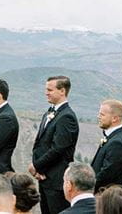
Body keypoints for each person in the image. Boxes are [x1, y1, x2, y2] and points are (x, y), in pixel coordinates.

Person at [30, 76, 79, 214]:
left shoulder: (67, 117)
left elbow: (58, 149)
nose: (46, 92)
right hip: (44, 178)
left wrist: (36, 166)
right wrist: (38, 170)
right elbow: (40, 143)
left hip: (57, 181)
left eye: (50, 90)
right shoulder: (49, 113)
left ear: (62, 91)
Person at [91, 100, 122, 192]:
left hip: (110, 200)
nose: (98, 117)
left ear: (114, 119)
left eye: (102, 115)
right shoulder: (112, 138)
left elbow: (106, 175)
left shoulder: (118, 143)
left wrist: (85, 188)